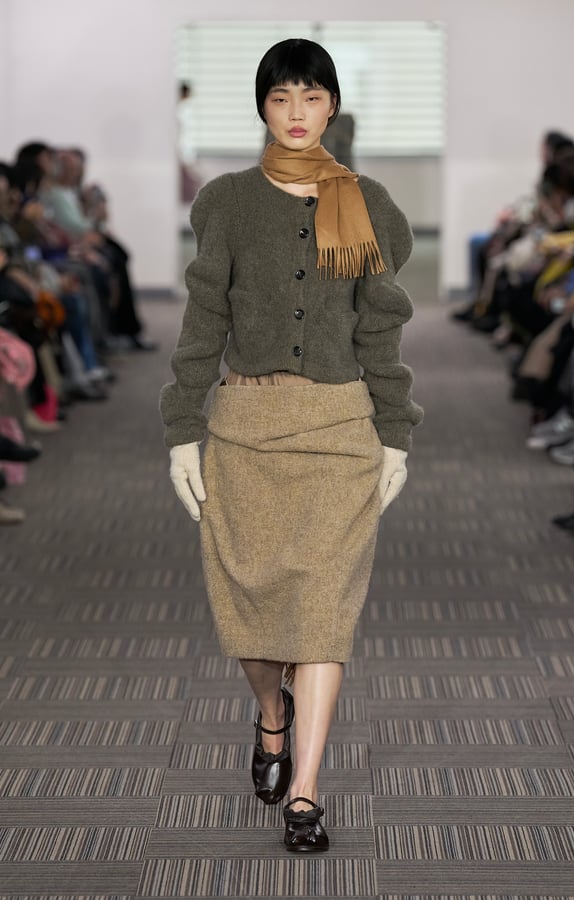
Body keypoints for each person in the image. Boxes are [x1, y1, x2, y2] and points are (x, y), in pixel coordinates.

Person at [160, 38, 422, 852]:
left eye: (312, 97)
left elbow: (379, 326)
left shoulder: (367, 203)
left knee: (321, 612)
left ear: (333, 106)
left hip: (340, 428)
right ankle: (270, 712)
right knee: (249, 610)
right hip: (247, 428)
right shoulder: (229, 203)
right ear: (262, 107)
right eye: (281, 98)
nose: (298, 113)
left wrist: (395, 431)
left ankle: (306, 791)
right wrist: (182, 428)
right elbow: (205, 320)